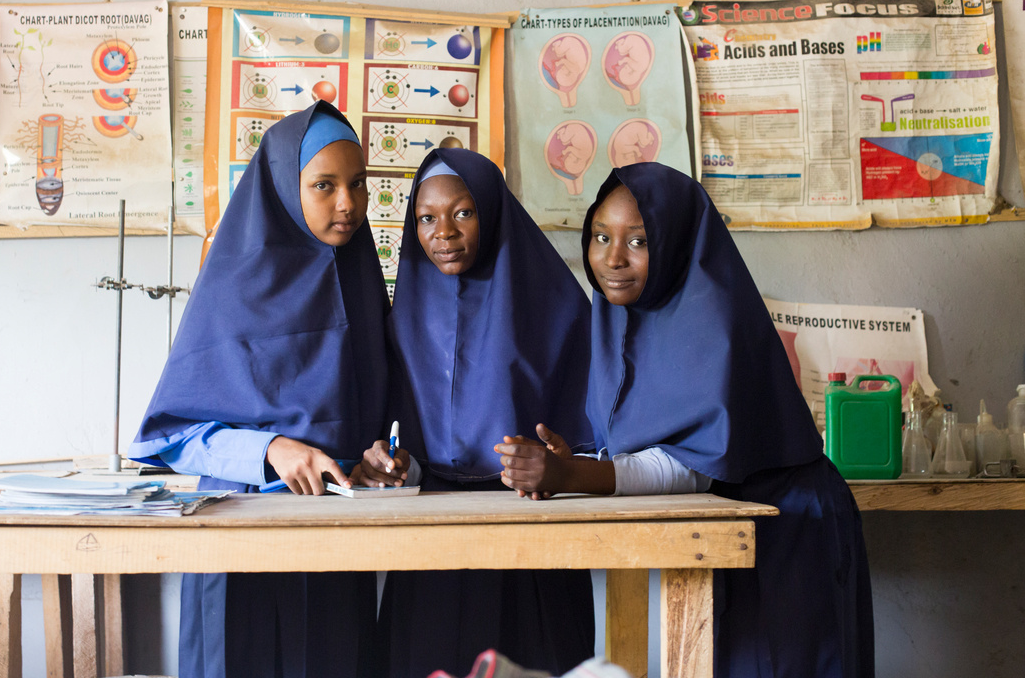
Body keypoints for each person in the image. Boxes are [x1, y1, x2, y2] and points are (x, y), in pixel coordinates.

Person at [497, 162, 875, 678]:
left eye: (639, 242)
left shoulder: (714, 321)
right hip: (727, 523)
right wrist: (582, 460)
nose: (612, 258)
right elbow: (650, 442)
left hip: (788, 527)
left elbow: (692, 464)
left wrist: (573, 476)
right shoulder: (615, 316)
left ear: (675, 243)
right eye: (600, 236)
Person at [129, 100, 403, 678]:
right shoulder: (232, 287)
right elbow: (172, 437)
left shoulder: (360, 281)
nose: (348, 204)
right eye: (324, 185)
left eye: (358, 184)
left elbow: (380, 423)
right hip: (239, 539)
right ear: (284, 185)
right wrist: (269, 449)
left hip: (334, 547)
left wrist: (381, 460)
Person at [365, 148, 596, 678]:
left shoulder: (557, 306)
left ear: (491, 211)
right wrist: (398, 466)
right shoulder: (403, 315)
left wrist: (554, 461)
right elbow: (409, 441)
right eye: (426, 218)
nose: (443, 232)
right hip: (431, 542)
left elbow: (589, 438)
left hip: (531, 533)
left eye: (462, 212)